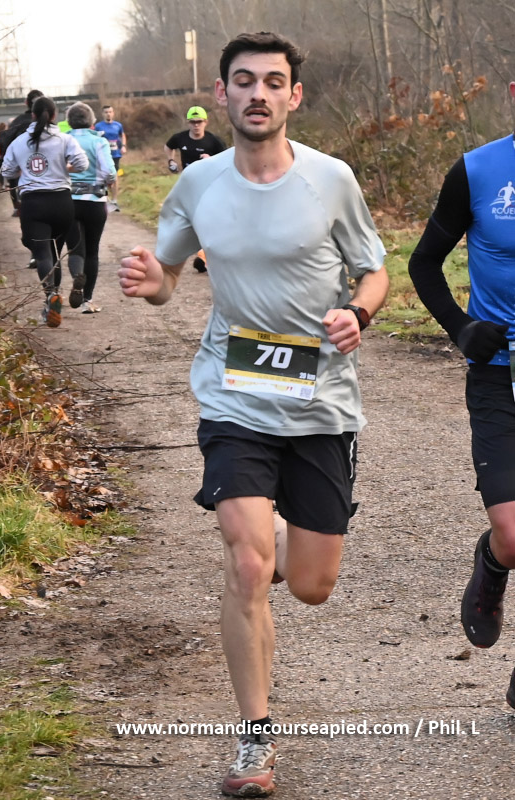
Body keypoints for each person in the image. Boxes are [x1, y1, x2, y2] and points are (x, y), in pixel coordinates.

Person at [119, 31, 388, 797]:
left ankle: (275, 535)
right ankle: (255, 741)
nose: (258, 93)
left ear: (293, 96)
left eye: (273, 81)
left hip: (320, 402)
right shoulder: (199, 183)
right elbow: (171, 275)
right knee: (245, 563)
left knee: (311, 585)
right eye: (244, 81)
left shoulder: (331, 179)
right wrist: (152, 282)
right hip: (233, 394)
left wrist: (358, 315)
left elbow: (374, 271)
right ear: (222, 93)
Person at [408, 84, 515, 706]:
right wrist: (460, 327)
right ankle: (495, 563)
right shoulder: (477, 170)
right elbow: (423, 263)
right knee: (514, 531)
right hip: (499, 371)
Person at [1, 96, 89, 327]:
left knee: (43, 255)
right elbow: (82, 164)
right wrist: (63, 167)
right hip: (62, 202)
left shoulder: (19, 142)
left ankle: (51, 297)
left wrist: (25, 171)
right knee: (57, 251)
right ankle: (65, 288)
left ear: (32, 115)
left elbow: (6, 172)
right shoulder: (65, 139)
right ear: (54, 115)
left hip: (34, 204)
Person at [65, 102, 117, 313]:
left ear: (69, 121)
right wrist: (106, 182)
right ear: (92, 121)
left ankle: (78, 275)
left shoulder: (63, 140)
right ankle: (87, 300)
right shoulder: (99, 141)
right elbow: (110, 172)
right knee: (92, 251)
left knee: (75, 248)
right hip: (95, 201)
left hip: (68, 200)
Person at [164, 106, 227, 272]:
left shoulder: (214, 141)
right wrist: (171, 161)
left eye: (199, 122)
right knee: (191, 221)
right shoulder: (180, 138)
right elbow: (168, 146)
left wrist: (211, 159)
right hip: (189, 186)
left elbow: (227, 161)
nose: (196, 125)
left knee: (208, 220)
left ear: (206, 122)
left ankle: (205, 255)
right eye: (192, 122)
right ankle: (198, 253)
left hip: (210, 187)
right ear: (188, 123)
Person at [0, 89, 44, 218]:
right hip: (46, 171)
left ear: (26, 103)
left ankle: (17, 206)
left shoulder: (18, 121)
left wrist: (5, 157)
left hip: (21, 168)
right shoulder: (49, 124)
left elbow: (6, 140)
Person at [94, 105, 126, 209]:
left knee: (115, 176)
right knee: (104, 177)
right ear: (102, 114)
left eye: (110, 112)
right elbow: (95, 139)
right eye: (106, 112)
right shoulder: (98, 126)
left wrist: (123, 146)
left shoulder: (118, 125)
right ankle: (106, 199)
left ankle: (115, 200)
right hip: (103, 155)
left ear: (113, 113)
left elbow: (123, 135)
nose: (108, 114)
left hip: (115, 154)